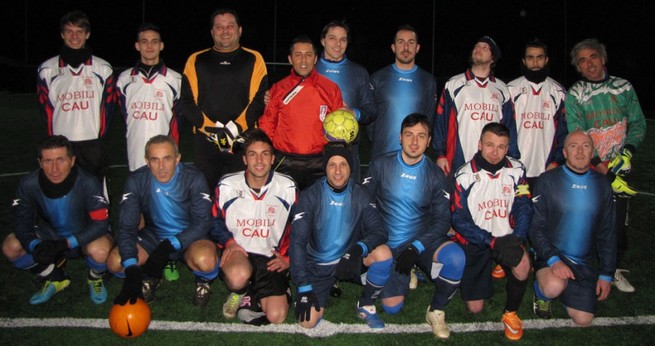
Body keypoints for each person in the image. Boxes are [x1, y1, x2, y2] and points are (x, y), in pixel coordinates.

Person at [362, 113, 465, 340]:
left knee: (456, 258)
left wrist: (417, 247)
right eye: (409, 135)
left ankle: (436, 310)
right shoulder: (381, 164)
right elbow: (364, 205)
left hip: (422, 241)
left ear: (429, 141)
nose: (414, 142)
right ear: (400, 137)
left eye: (421, 136)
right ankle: (404, 270)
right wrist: (374, 240)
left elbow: (441, 221)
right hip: (389, 243)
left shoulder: (436, 175)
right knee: (392, 306)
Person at [566, 38, 647, 294]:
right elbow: (577, 134)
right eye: (582, 60)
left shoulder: (623, 87)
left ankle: (613, 271)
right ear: (578, 67)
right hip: (590, 170)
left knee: (618, 228)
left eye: (593, 57)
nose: (588, 63)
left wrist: (627, 153)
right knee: (586, 222)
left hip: (620, 169)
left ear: (603, 58)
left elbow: (638, 123)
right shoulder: (576, 93)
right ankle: (583, 269)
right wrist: (599, 165)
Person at [290, 142, 392, 330]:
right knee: (307, 322)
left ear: (350, 168)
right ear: (325, 168)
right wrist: (303, 286)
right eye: (332, 165)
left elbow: (380, 231)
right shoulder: (310, 196)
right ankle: (324, 287)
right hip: (318, 268)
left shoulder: (360, 194)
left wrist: (357, 249)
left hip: (348, 261)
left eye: (343, 164)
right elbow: (297, 242)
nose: (338, 171)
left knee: (383, 254)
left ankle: (366, 304)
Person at [108, 135, 218, 307]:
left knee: (206, 260)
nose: (161, 167)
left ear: (177, 159)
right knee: (116, 262)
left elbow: (203, 222)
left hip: (188, 236)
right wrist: (131, 267)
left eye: (167, 159)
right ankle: (146, 276)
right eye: (154, 160)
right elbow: (127, 226)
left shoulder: (194, 177)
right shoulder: (136, 180)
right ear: (147, 161)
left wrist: (168, 246)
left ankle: (202, 282)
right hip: (153, 235)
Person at [2, 135, 112, 305]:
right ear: (40, 162)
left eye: (60, 160)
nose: (54, 169)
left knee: (101, 250)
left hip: (85, 236)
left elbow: (100, 225)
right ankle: (53, 276)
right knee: (11, 247)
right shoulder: (28, 184)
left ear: (72, 160)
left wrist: (65, 244)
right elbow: (21, 222)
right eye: (48, 161)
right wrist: (35, 245)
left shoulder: (88, 182)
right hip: (51, 235)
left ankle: (95, 277)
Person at [451, 122, 533, 341]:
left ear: (507, 148)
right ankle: (488, 265)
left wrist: (518, 238)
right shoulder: (464, 175)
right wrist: (490, 241)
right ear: (479, 144)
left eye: (501, 147)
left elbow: (524, 204)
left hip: (506, 238)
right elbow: (459, 219)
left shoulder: (517, 170)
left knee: (523, 264)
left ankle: (510, 313)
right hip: (477, 242)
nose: (494, 152)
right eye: (489, 145)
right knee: (475, 308)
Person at [210, 129, 297, 324]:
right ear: (244, 160)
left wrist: (289, 257)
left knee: (277, 317)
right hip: (240, 254)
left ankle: (273, 289)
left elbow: (301, 226)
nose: (259, 161)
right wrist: (229, 242)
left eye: (265, 154)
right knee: (238, 275)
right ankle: (241, 291)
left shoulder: (287, 187)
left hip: (270, 257)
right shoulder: (228, 185)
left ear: (273, 158)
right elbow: (213, 220)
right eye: (253, 154)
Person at [529, 130, 616, 326]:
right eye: (573, 146)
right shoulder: (548, 180)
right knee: (552, 286)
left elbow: (608, 232)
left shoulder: (602, 185)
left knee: (584, 320)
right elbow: (535, 228)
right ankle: (542, 291)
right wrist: (553, 260)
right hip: (551, 256)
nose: (579, 151)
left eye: (585, 146)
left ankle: (566, 286)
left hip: (583, 262)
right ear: (565, 153)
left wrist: (606, 274)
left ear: (592, 151)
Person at [180, 8, 267, 192]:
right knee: (206, 197)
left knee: (240, 197)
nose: (225, 31)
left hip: (243, 141)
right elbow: (187, 103)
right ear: (212, 32)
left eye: (230, 26)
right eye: (219, 27)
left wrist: (232, 131)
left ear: (240, 30)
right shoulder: (196, 60)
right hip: (206, 143)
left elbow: (258, 101)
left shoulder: (254, 58)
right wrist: (217, 133)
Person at [36, 10, 115, 195]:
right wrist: (55, 141)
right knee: (64, 193)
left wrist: (97, 137)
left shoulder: (103, 69)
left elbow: (108, 109)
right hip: (62, 144)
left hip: (92, 144)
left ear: (87, 34)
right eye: (69, 31)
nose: (74, 36)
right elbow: (45, 110)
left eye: (79, 31)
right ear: (62, 34)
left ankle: (102, 224)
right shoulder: (47, 69)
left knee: (96, 192)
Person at [258, 35, 343, 190]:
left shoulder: (331, 89)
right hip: (285, 161)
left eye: (308, 55)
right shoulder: (278, 89)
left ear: (315, 58)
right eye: (298, 55)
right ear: (290, 59)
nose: (303, 61)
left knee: (316, 210)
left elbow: (339, 131)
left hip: (319, 162)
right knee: (284, 211)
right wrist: (263, 155)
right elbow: (267, 125)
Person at [434, 36, 519, 176]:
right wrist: (440, 154)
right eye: (477, 46)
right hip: (458, 161)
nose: (479, 49)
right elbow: (441, 122)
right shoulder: (454, 84)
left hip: (493, 161)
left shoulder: (502, 89)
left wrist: (512, 156)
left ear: (493, 59)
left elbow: (509, 125)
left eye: (485, 48)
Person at [116, 22, 182, 172]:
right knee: (139, 189)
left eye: (154, 42)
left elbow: (178, 119)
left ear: (161, 46)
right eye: (144, 42)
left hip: (164, 149)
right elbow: (124, 115)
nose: (149, 46)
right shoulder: (124, 79)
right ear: (137, 46)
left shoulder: (176, 79)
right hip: (135, 147)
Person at [315, 20, 375, 182]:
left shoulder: (359, 72)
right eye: (332, 38)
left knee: (350, 202)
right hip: (314, 152)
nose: (338, 44)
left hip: (349, 151)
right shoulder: (310, 69)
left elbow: (371, 110)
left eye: (343, 39)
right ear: (323, 41)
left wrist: (354, 113)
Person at [368, 25, 437, 160]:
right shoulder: (378, 78)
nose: (406, 47)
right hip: (382, 156)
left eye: (411, 43)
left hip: (414, 158)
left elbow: (429, 119)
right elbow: (371, 121)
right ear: (393, 47)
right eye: (401, 42)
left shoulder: (428, 80)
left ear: (417, 48)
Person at [507, 39, 567, 189]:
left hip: (547, 168)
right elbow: (504, 128)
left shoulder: (558, 92)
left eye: (539, 57)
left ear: (546, 60)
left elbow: (564, 132)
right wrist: (510, 160)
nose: (535, 62)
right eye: (530, 58)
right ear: (524, 61)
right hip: (517, 168)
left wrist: (556, 161)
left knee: (545, 212)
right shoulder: (510, 90)